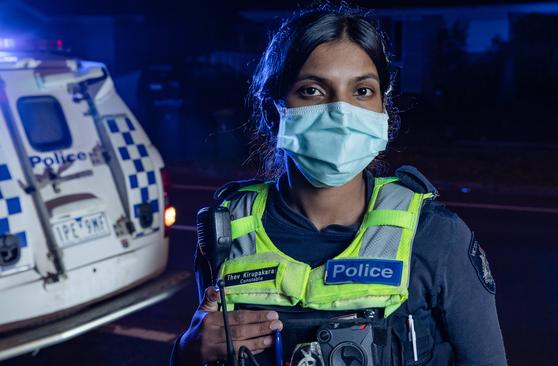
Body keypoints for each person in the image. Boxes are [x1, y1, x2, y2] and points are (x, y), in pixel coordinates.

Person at [172, 4, 507, 366]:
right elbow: (206, 347)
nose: (342, 114)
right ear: (274, 113)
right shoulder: (227, 230)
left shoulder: (436, 236)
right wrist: (188, 352)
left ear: (382, 110)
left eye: (362, 91)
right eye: (313, 90)